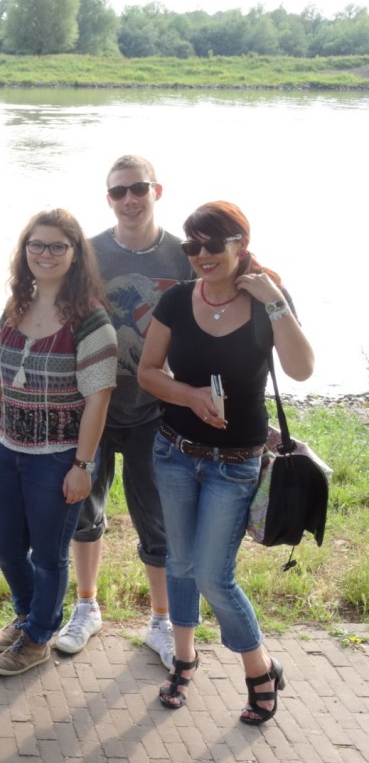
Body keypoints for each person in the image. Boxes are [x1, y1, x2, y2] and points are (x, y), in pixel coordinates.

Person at [137, 201, 314, 724]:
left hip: (235, 463)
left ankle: (260, 668)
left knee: (214, 574)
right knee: (180, 563)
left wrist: (276, 301)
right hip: (173, 453)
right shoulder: (175, 301)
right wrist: (189, 396)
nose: (202, 255)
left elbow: (302, 370)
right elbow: (148, 372)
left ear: (241, 242)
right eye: (192, 246)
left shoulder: (267, 301)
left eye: (214, 244)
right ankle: (185, 660)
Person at [53, 155, 194, 669]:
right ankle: (86, 607)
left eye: (138, 189)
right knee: (83, 510)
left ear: (158, 189)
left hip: (155, 410)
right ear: (107, 198)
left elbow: (210, 306)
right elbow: (56, 309)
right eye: (119, 192)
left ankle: (160, 620)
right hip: (92, 404)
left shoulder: (182, 255)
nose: (130, 200)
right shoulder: (87, 252)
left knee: (156, 521)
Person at [0, 208, 117, 676]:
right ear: (24, 250)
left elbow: (99, 400)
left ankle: (37, 639)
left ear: (75, 255)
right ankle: (28, 616)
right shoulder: (15, 307)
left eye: (58, 246)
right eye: (37, 244)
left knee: (49, 555)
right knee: (7, 546)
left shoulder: (91, 321)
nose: (45, 254)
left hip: (58, 458)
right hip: (8, 449)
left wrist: (83, 464)